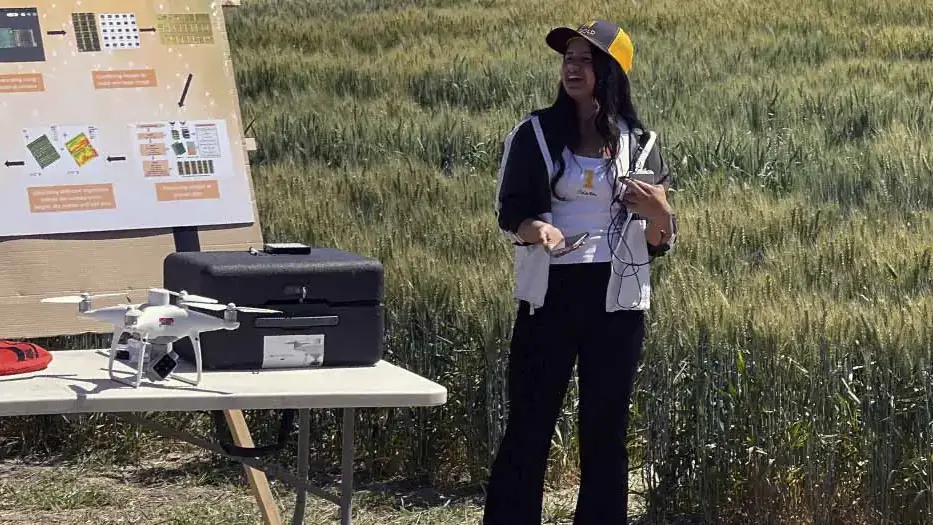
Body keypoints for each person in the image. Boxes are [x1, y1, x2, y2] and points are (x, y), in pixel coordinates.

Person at [485, 19, 677, 525]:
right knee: (529, 421)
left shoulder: (642, 142)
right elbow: (509, 211)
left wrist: (660, 214)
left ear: (611, 71)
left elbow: (659, 242)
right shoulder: (534, 134)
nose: (572, 67)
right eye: (567, 58)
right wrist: (536, 231)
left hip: (617, 301)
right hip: (550, 294)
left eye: (585, 59)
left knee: (606, 427)